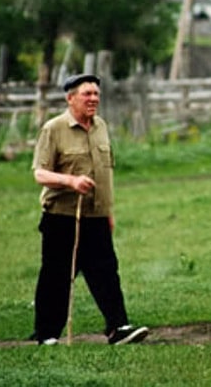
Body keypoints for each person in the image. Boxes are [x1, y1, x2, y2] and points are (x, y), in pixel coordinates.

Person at [29, 73, 149, 346]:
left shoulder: (101, 127)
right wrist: (71, 181)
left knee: (107, 272)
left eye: (96, 94)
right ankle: (47, 334)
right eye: (87, 94)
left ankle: (118, 327)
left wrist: (108, 213)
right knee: (57, 275)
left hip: (96, 217)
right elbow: (40, 173)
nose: (93, 99)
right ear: (70, 99)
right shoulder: (53, 129)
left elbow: (105, 175)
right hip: (62, 217)